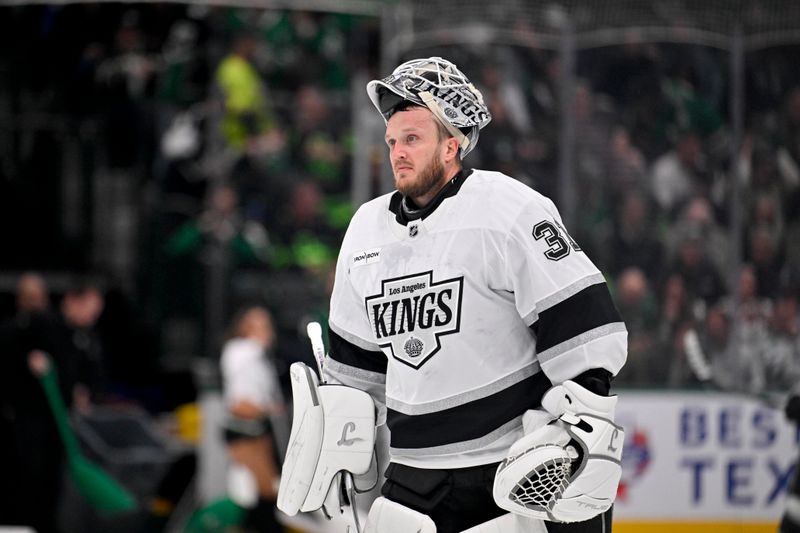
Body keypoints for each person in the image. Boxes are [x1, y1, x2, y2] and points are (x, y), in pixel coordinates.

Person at [312, 57, 628, 532]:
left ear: (451, 145)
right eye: (392, 141)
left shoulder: (509, 208)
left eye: (413, 139)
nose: (397, 152)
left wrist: (581, 436)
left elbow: (584, 329)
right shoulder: (365, 231)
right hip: (415, 480)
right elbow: (357, 371)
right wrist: (339, 440)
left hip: (518, 472)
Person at [220, 305, 285, 533]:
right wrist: (268, 409)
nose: (269, 330)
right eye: (262, 325)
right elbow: (239, 403)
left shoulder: (257, 355)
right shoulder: (243, 353)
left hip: (258, 429)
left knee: (263, 491)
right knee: (265, 492)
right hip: (244, 430)